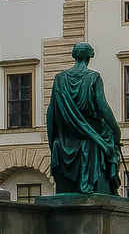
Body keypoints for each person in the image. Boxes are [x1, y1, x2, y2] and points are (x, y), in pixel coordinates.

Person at [46, 43, 123, 195]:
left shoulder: (60, 79)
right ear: (89, 57)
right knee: (108, 138)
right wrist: (116, 130)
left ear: (74, 56)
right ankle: (111, 185)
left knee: (105, 137)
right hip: (90, 131)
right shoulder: (93, 77)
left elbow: (51, 111)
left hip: (67, 135)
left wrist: (54, 137)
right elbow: (102, 107)